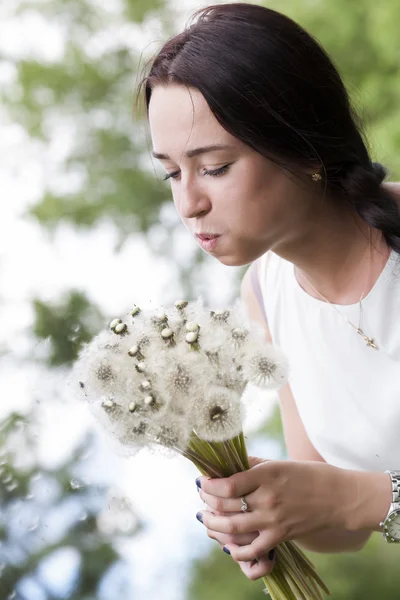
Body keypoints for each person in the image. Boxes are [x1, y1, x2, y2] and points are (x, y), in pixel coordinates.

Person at [137, 2, 400, 581]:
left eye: (215, 166)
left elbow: (358, 504)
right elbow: (345, 527)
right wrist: (265, 503)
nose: (189, 204)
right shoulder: (265, 294)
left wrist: (367, 500)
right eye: (172, 173)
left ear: (299, 146)